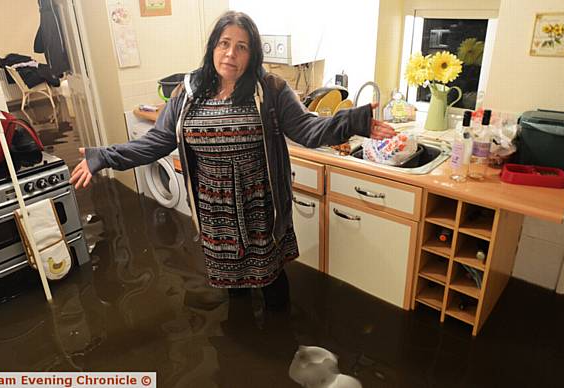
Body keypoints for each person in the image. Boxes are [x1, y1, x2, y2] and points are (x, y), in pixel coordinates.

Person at [70, 11, 395, 311]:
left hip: (260, 205)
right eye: (225, 44)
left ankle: (280, 342)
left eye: (242, 47)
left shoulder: (270, 90)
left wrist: (355, 121)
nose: (231, 54)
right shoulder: (187, 92)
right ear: (213, 47)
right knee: (231, 281)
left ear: (252, 54)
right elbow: (159, 140)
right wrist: (104, 156)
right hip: (214, 208)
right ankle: (241, 342)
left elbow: (309, 130)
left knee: (271, 280)